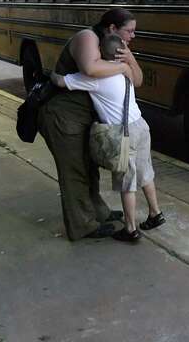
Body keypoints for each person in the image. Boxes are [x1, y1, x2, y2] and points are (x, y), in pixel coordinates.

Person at [37, 8, 144, 240]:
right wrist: (124, 66)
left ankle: (98, 212)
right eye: (130, 31)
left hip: (85, 118)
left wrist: (130, 60)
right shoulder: (88, 37)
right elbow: (90, 69)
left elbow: (137, 81)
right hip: (63, 117)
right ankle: (82, 225)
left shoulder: (113, 47)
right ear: (112, 28)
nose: (132, 36)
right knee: (75, 171)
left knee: (89, 168)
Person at [50, 34, 164, 243]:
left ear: (100, 53)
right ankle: (155, 213)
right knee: (145, 173)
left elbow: (60, 81)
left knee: (126, 182)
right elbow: (137, 79)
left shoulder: (95, 78)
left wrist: (52, 72)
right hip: (140, 125)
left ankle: (130, 229)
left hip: (123, 133)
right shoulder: (126, 69)